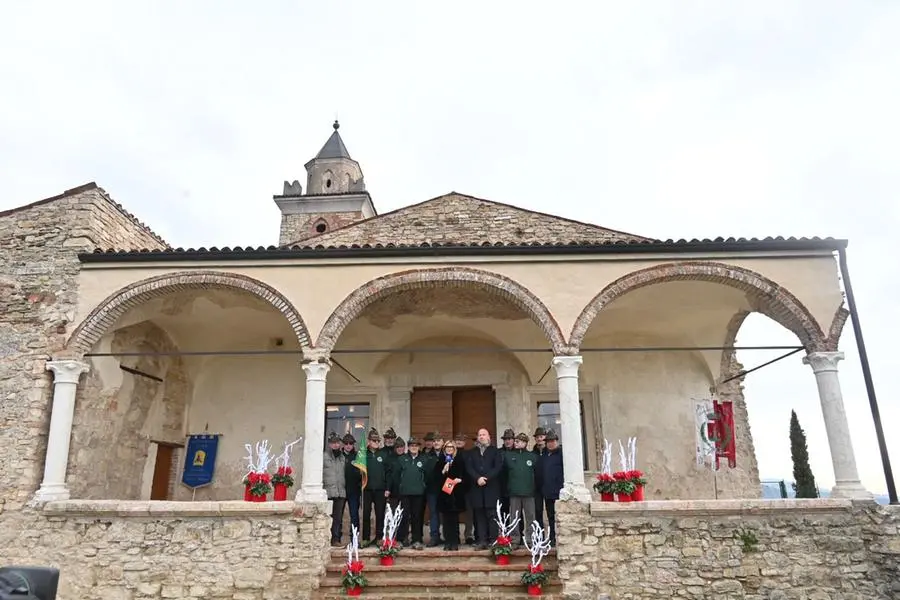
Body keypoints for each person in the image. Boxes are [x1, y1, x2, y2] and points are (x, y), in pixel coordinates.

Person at [465, 428, 503, 550]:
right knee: (479, 516)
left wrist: (486, 478)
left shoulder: (496, 452)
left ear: (489, 437)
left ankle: (493, 540)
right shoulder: (472, 452)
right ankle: (482, 540)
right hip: (477, 488)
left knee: (492, 516)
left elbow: (497, 468)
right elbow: (469, 468)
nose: (481, 437)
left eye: (483, 435)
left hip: (491, 488)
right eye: (479, 435)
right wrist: (477, 478)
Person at [504, 432, 537, 546]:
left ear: (525, 443)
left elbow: (537, 475)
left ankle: (531, 539)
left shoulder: (532, 456)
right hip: (514, 492)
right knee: (514, 517)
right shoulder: (508, 456)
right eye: (516, 441)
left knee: (530, 517)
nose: (516, 443)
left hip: (529, 492)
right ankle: (514, 540)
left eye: (518, 441)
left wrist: (534, 489)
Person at [396, 437, 429, 550]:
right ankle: (401, 539)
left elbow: (427, 476)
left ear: (419, 447)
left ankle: (417, 540)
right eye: (411, 445)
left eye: (416, 445)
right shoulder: (402, 459)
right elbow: (396, 476)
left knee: (417, 517)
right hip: (404, 493)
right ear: (408, 447)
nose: (413, 447)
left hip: (419, 493)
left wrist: (424, 486)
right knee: (403, 517)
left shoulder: (424, 459)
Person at [435, 439, 467, 551]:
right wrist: (443, 471)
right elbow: (435, 478)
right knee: (446, 520)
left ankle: (454, 541)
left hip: (456, 495)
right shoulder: (440, 461)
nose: (449, 449)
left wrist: (460, 480)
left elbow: (465, 476)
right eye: (447, 447)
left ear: (454, 449)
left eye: (451, 447)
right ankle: (447, 541)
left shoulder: (459, 460)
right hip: (445, 495)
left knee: (454, 520)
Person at [361, 428, 388, 545]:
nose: (376, 443)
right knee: (366, 514)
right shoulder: (362, 454)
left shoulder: (383, 454)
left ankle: (379, 538)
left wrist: (387, 488)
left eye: (378, 441)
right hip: (367, 489)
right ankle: (366, 538)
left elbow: (388, 473)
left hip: (380, 489)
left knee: (380, 514)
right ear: (368, 441)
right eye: (373, 441)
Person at [538, 429, 564, 546]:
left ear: (556, 441)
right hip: (547, 491)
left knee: (560, 517)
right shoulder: (544, 454)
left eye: (552, 441)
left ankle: (562, 537)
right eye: (548, 441)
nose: (550, 443)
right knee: (550, 516)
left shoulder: (561, 453)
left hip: (559, 491)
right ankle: (552, 538)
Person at [323, 432, 347, 546]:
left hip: (340, 491)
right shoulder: (323, 457)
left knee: (338, 518)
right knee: (326, 518)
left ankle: (335, 539)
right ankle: (325, 539)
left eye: (338, 442)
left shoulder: (342, 457)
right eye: (333, 443)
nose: (336, 445)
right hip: (328, 492)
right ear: (329, 444)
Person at [454, 432, 475, 544]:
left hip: (466, 487)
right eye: (457, 440)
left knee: (469, 513)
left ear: (465, 442)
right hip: (453, 488)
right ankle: (455, 535)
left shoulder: (469, 454)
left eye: (461, 440)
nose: (459, 442)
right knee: (454, 512)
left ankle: (468, 535)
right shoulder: (450, 453)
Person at [424, 431, 445, 546]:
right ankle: (435, 536)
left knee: (446, 513)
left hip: (445, 489)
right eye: (435, 441)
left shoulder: (447, 455)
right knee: (433, 513)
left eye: (438, 441)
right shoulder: (427, 455)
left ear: (442, 442)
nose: (436, 443)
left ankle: (449, 536)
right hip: (432, 489)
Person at [342, 433, 362, 538]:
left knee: (354, 515)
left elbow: (362, 473)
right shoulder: (339, 456)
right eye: (346, 443)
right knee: (338, 516)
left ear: (353, 444)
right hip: (340, 490)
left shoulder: (358, 456)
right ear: (343, 444)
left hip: (354, 491)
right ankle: (336, 539)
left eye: (350, 443)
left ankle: (354, 538)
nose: (348, 445)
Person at [532, 427, 548, 529]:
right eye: (537, 437)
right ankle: (539, 536)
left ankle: (552, 537)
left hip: (548, 486)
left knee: (551, 512)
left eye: (541, 436)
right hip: (536, 487)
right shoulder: (532, 454)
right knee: (537, 511)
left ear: (545, 438)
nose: (539, 439)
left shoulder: (549, 452)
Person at [498, 428, 515, 518]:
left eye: (509, 439)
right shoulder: (498, 452)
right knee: (503, 512)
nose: (507, 441)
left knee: (516, 512)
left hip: (515, 488)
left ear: (513, 440)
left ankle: (519, 532)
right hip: (502, 488)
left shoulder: (518, 452)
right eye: (505, 439)